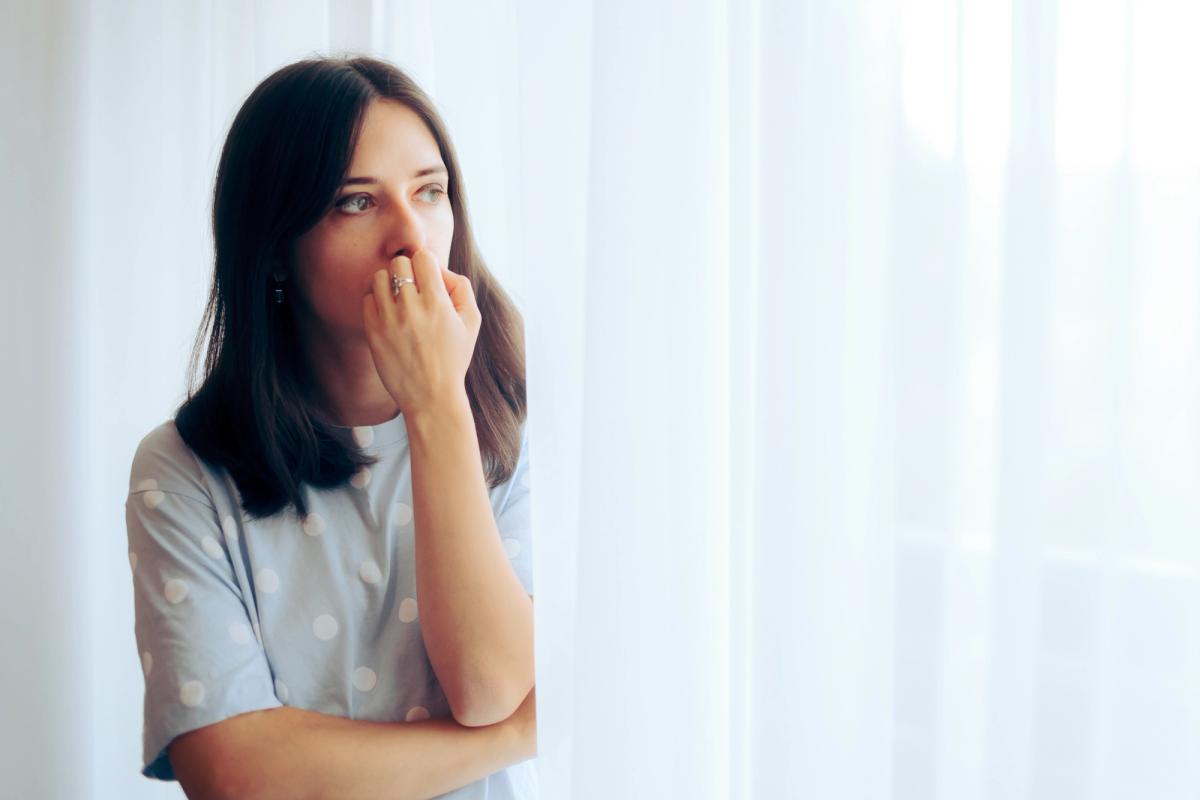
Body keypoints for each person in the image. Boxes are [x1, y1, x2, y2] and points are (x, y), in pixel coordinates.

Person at [124, 54, 537, 799]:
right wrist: (512, 736)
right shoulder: (182, 472)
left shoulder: (511, 423)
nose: (410, 238)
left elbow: (487, 683)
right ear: (277, 249)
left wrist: (436, 404)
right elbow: (237, 777)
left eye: (430, 191)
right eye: (356, 202)